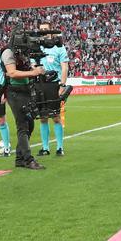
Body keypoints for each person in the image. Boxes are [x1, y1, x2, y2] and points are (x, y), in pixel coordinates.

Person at [1, 35, 46, 170]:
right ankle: (28, 159)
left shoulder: (22, 52)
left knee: (29, 124)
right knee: (23, 125)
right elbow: (12, 73)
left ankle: (20, 159)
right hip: (14, 92)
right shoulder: (8, 52)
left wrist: (35, 70)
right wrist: (33, 73)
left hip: (24, 90)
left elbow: (25, 68)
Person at [37, 21, 71, 156]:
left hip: (54, 85)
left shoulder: (59, 48)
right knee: (43, 117)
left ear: (51, 31)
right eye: (41, 30)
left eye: (46, 29)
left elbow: (65, 67)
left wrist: (62, 85)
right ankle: (45, 148)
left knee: (56, 117)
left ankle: (59, 147)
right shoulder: (37, 48)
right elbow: (34, 67)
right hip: (40, 85)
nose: (44, 32)